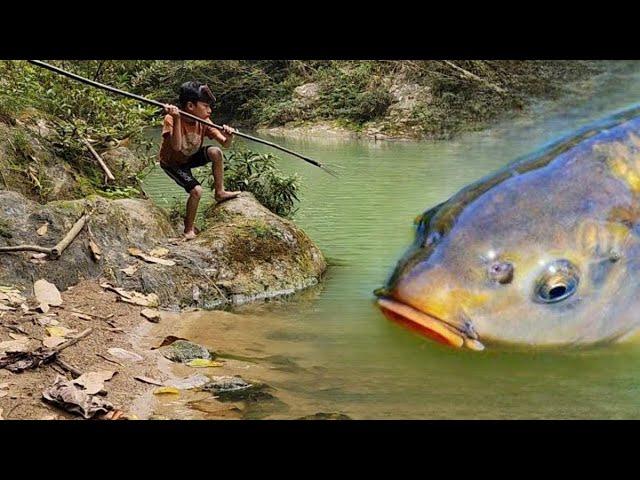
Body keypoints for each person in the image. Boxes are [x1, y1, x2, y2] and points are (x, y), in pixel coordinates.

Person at [160, 81, 240, 240]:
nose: (209, 111)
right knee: (196, 191)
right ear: (190, 106)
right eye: (205, 106)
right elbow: (176, 147)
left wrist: (230, 136)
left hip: (189, 156)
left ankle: (220, 192)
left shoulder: (204, 121)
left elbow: (224, 144)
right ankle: (188, 230)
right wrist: (176, 119)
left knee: (215, 152)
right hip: (173, 163)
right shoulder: (171, 118)